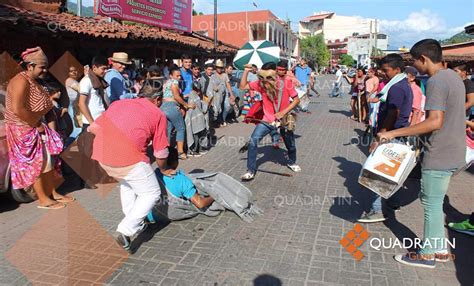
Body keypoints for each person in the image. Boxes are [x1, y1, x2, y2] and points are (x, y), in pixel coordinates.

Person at [374, 39, 466, 268]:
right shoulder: (454, 76)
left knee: (432, 205)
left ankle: (427, 255)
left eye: (413, 61)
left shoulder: (436, 81)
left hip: (440, 153)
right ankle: (441, 250)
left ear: (423, 59)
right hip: (455, 151)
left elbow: (434, 122)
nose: (412, 66)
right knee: (432, 201)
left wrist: (394, 133)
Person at [88, 81, 170, 252]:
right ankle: (125, 231)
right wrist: (163, 169)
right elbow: (161, 153)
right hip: (128, 157)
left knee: (127, 183)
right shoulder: (158, 114)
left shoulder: (118, 103)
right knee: (151, 192)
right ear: (157, 99)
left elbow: (93, 128)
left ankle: (135, 221)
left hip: (103, 155)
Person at [5, 47, 72, 210]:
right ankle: (43, 200)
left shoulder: (32, 81)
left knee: (48, 162)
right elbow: (18, 109)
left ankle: (52, 193)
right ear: (30, 66)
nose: (45, 70)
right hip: (23, 130)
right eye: (41, 67)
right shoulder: (20, 80)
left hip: (35, 127)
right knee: (36, 164)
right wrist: (37, 125)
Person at [358, 54, 413, 223]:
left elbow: (392, 114)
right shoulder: (402, 84)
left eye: (386, 70)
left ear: (397, 69)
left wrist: (380, 136)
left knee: (377, 175)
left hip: (390, 134)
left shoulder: (396, 88)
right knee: (389, 174)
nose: (383, 73)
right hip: (396, 134)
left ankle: (377, 211)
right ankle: (393, 202)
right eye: (382, 69)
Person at [239, 62, 301, 181]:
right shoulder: (261, 83)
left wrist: (283, 112)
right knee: (253, 142)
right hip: (267, 120)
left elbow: (296, 100)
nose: (265, 79)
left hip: (284, 119)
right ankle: (251, 170)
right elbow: (243, 86)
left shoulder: (286, 83)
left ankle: (291, 162)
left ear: (274, 73)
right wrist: (246, 71)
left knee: (291, 145)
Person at [78, 56, 109, 189]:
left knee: (99, 151)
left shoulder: (98, 81)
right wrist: (91, 123)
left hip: (101, 121)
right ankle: (86, 180)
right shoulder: (86, 82)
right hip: (91, 124)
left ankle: (98, 175)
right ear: (94, 67)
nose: (105, 71)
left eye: (106, 68)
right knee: (88, 153)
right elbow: (81, 103)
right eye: (103, 68)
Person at [161, 68, 194, 160]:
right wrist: (186, 105)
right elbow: (176, 97)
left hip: (163, 107)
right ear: (171, 75)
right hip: (172, 106)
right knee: (181, 128)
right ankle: (180, 152)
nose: (179, 77)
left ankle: (165, 152)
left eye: (180, 75)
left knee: (168, 130)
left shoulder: (166, 82)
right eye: (177, 75)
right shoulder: (174, 83)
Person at [185, 82, 209, 157]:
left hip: (198, 117)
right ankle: (193, 150)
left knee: (200, 132)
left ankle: (200, 148)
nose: (198, 91)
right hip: (193, 117)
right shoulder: (192, 95)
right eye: (196, 89)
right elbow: (192, 106)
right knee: (194, 134)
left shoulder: (196, 95)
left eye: (198, 89)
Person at [209, 60, 235, 127]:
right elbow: (212, 85)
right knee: (217, 108)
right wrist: (215, 88)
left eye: (221, 67)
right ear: (216, 67)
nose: (219, 69)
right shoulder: (213, 76)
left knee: (225, 107)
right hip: (216, 95)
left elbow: (228, 84)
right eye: (218, 67)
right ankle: (216, 122)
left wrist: (231, 94)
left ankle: (222, 120)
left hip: (224, 94)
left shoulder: (225, 75)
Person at [65, 65, 83, 145]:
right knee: (77, 130)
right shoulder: (69, 80)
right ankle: (66, 146)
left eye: (75, 70)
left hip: (76, 107)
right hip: (73, 107)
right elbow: (81, 89)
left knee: (78, 129)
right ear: (68, 73)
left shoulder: (74, 81)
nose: (74, 72)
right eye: (71, 71)